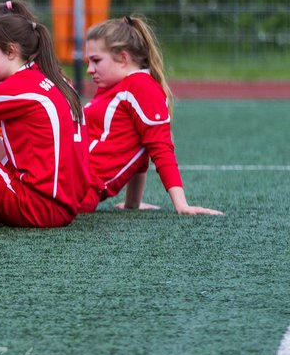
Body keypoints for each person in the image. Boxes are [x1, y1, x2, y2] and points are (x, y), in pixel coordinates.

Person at [80, 16, 223, 215]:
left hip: (75, 189)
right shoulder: (112, 85)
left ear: (123, 58)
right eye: (88, 61)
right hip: (64, 177)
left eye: (96, 61)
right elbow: (139, 148)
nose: (89, 69)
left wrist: (181, 205)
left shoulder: (141, 86)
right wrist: (132, 204)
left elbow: (159, 147)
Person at [0, 10, 91, 228]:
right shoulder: (55, 80)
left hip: (37, 206)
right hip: (66, 206)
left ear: (11, 51)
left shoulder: (22, 86)